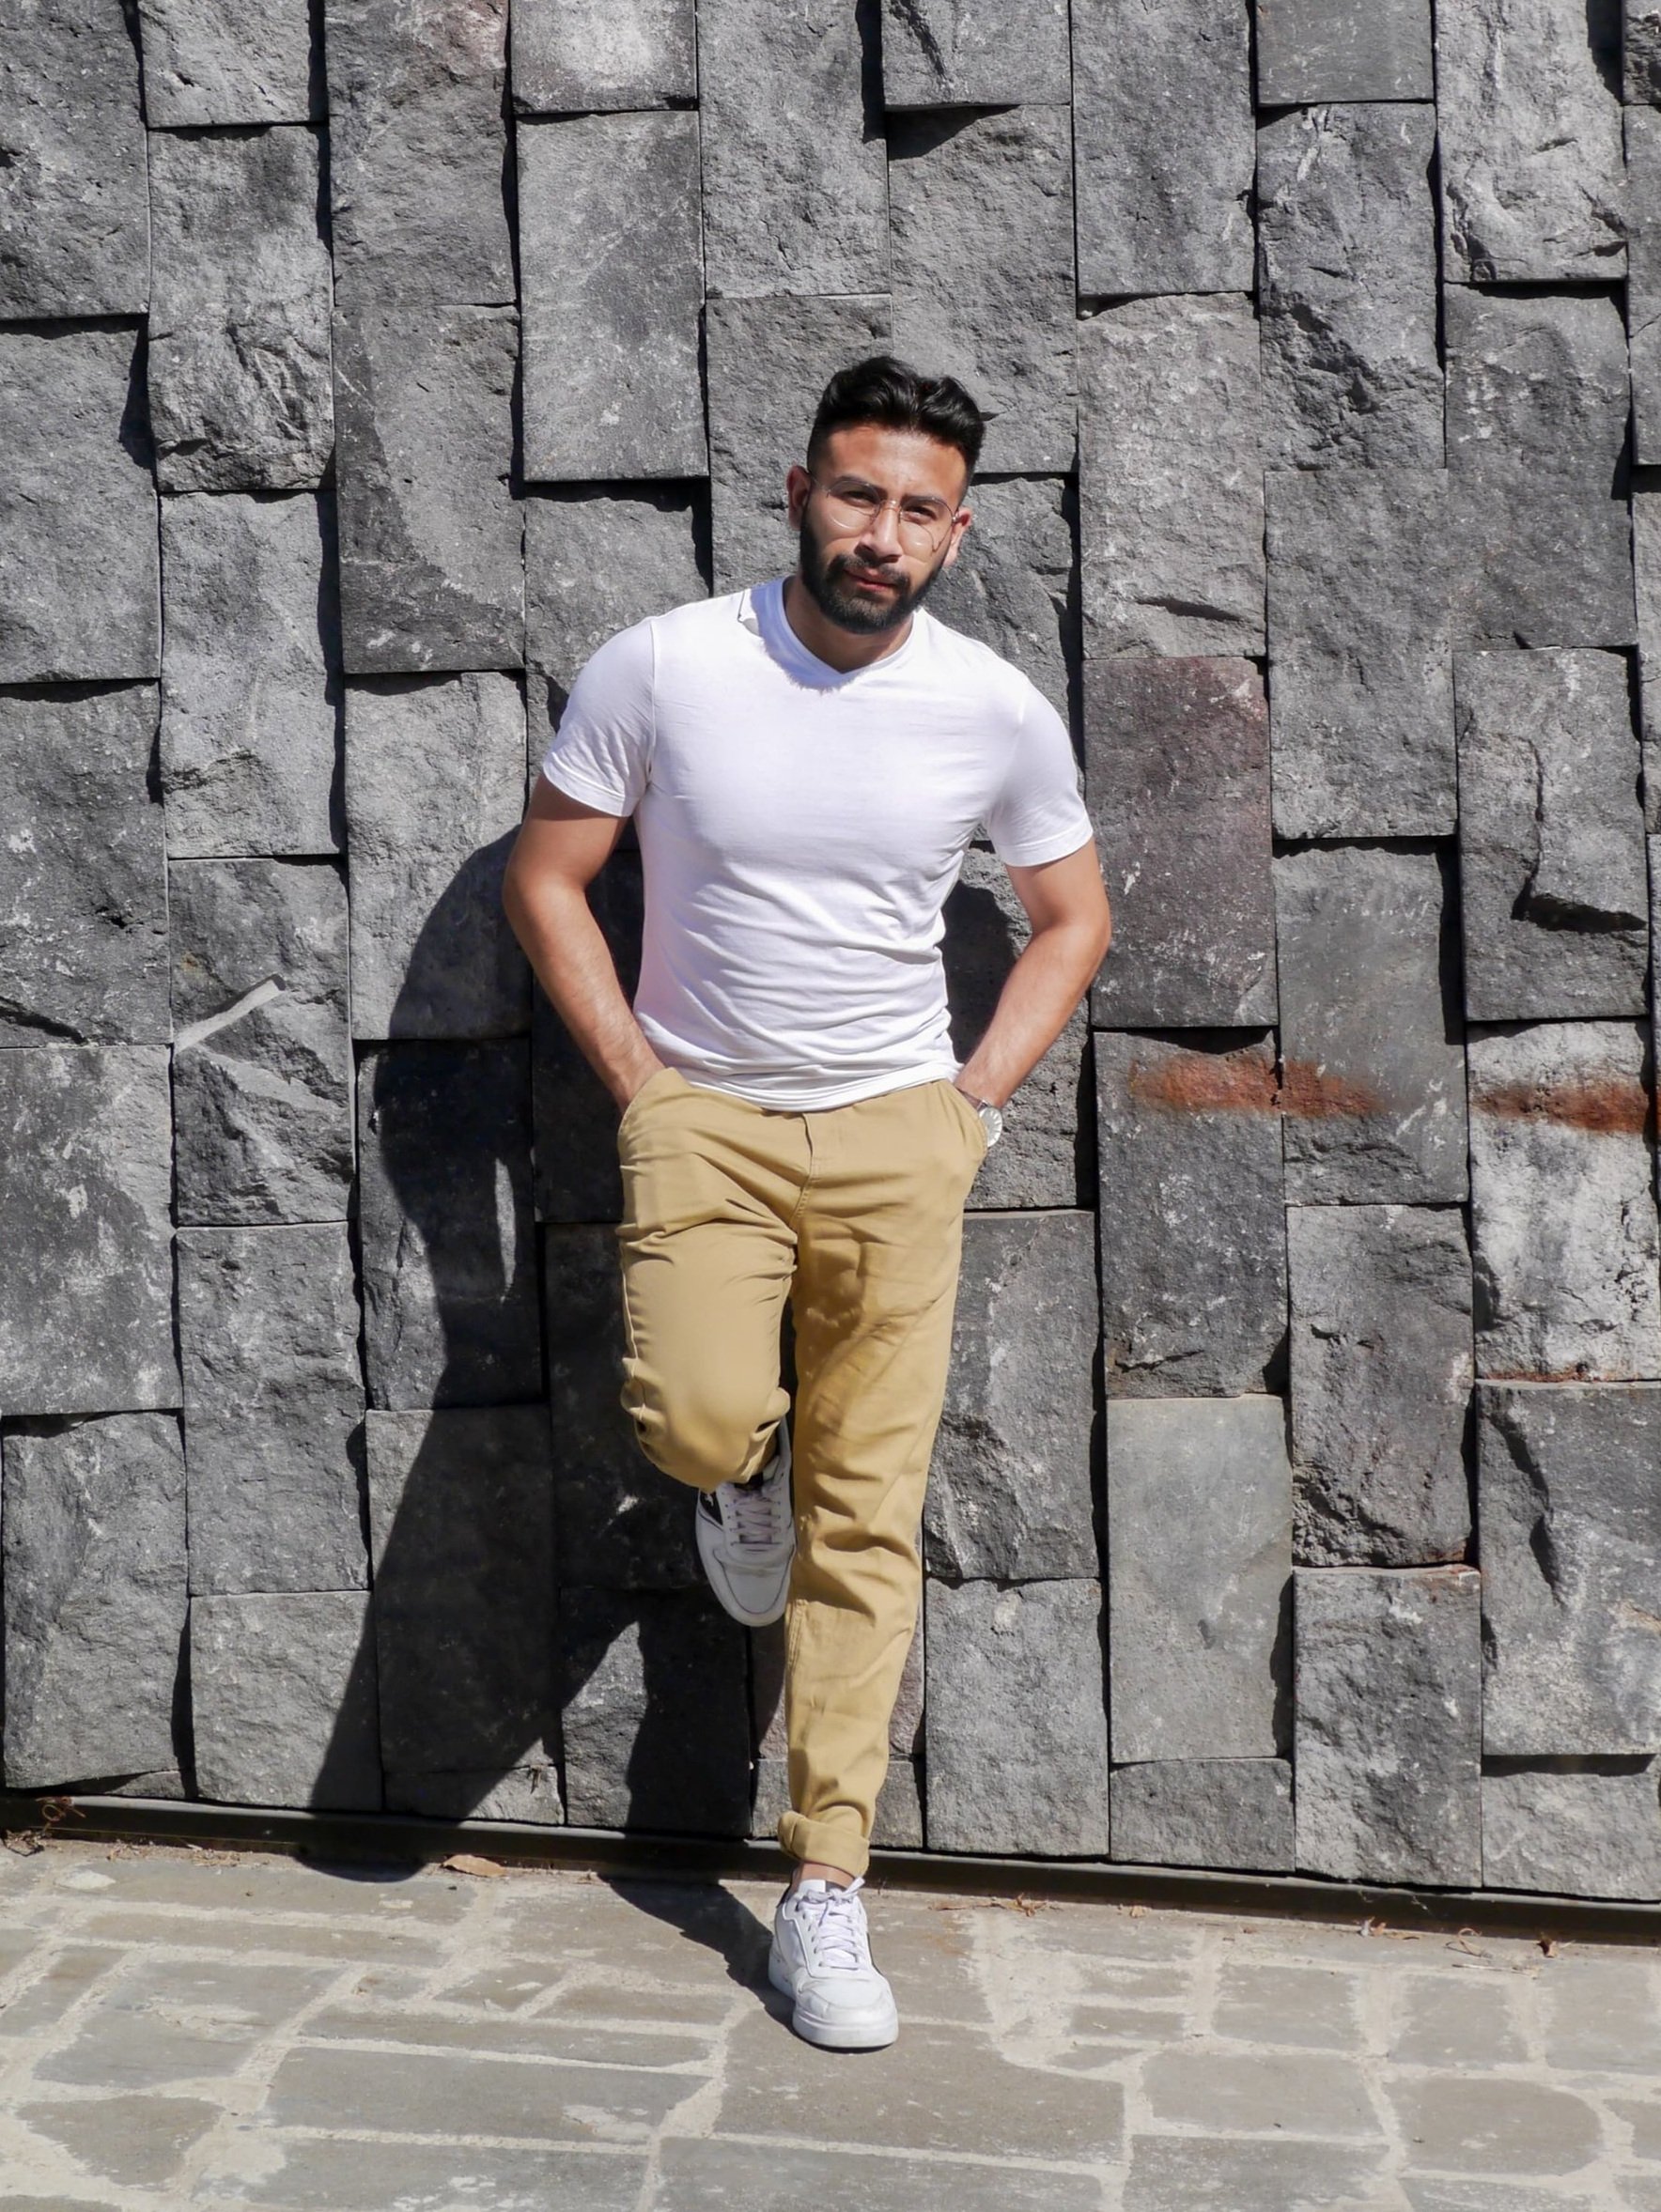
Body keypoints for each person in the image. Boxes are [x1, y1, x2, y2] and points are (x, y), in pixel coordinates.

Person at [503, 356, 1111, 2050]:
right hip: (704, 1117)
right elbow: (548, 877)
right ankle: (738, 1470)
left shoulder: (991, 706)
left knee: (876, 1520)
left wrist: (974, 1105)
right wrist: (641, 1085)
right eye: (858, 495)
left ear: (958, 530)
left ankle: (826, 1886)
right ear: (800, 490)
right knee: (699, 1420)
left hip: (899, 1141)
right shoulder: (670, 664)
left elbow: (1070, 918)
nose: (882, 535)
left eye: (919, 510)